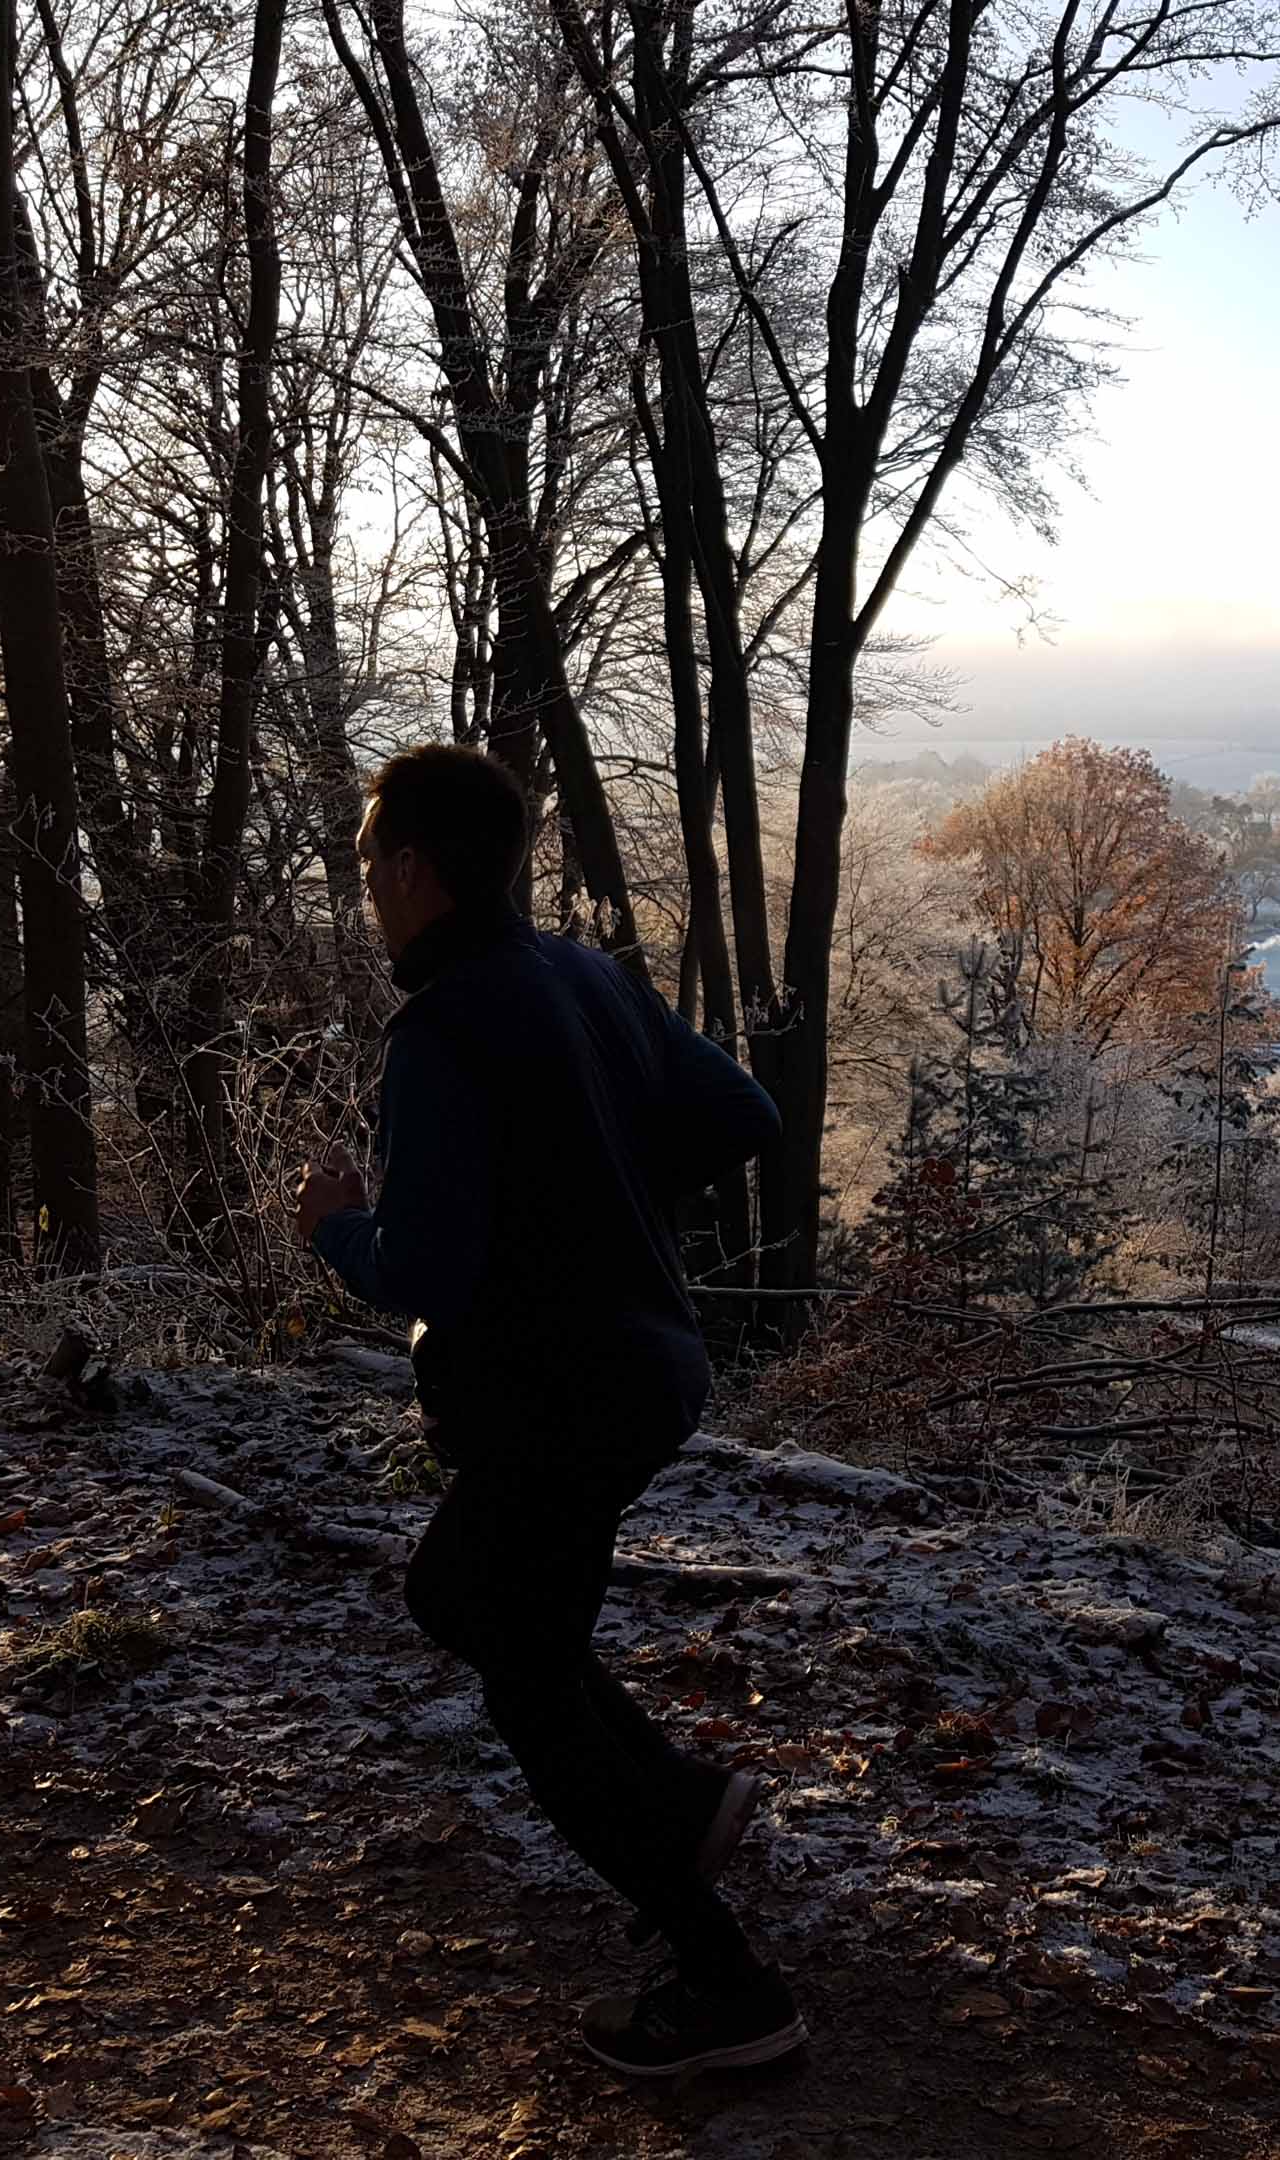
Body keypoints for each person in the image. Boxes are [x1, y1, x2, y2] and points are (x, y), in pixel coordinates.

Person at [291, 743, 800, 2076]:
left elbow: (424, 1273)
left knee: (515, 1660)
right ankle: (682, 1805)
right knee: (473, 1601)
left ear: (413, 869)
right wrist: (605, 1196)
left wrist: (337, 1226)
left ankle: (726, 1983)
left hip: (555, 1402)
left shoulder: (445, 1026)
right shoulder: (583, 973)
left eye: (367, 862)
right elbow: (743, 1112)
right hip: (643, 1374)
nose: (364, 886)